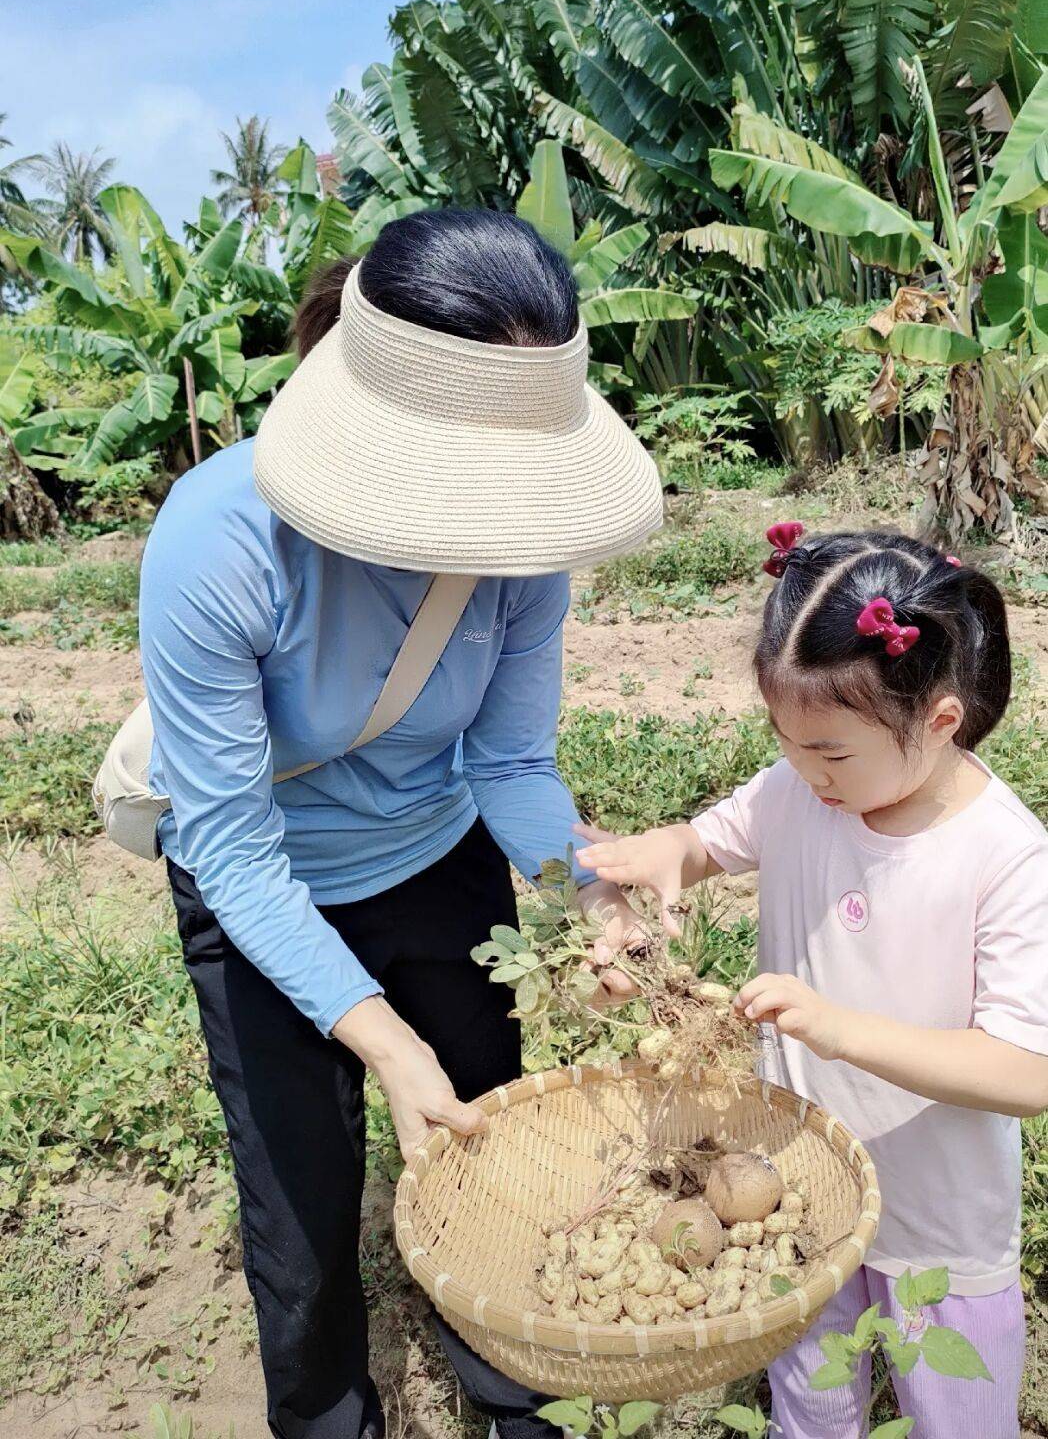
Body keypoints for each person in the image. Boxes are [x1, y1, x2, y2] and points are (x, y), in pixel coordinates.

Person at [138, 208, 662, 1439]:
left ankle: (511, 1388)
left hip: (437, 858)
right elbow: (232, 845)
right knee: (302, 1205)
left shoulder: (526, 546)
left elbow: (511, 756)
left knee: (494, 1153)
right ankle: (327, 1416)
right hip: (266, 883)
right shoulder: (218, 544)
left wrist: (585, 882)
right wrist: (382, 1040)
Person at [576, 522, 1048, 1439]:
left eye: (830, 753)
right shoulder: (801, 790)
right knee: (811, 1404)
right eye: (785, 744)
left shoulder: (1006, 857)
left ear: (940, 721)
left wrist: (835, 1028)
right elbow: (697, 842)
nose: (803, 773)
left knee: (956, 1416)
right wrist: (655, 866)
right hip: (795, 1196)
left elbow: (1027, 1071)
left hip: (939, 1223)